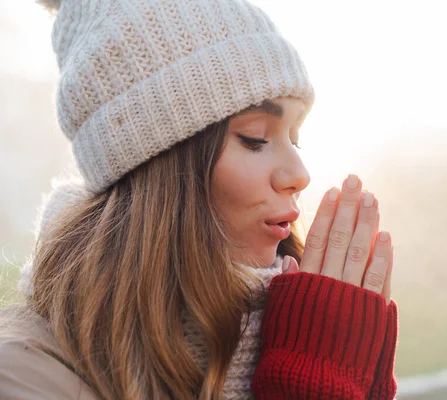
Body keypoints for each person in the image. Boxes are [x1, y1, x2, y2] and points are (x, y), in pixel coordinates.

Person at [0, 0, 398, 398]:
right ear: (158, 166)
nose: (299, 175)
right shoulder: (24, 373)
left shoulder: (301, 322)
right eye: (255, 138)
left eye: (295, 138)